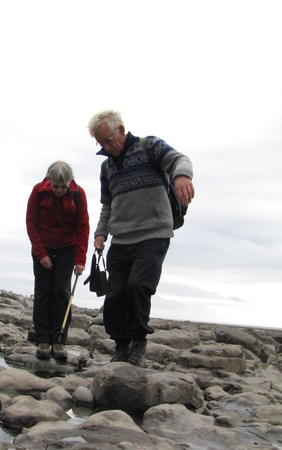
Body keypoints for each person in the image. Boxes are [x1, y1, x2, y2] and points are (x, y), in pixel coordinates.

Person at [87, 110, 194, 366]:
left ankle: (138, 343)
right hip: (121, 239)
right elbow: (107, 205)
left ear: (121, 129)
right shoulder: (107, 167)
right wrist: (101, 232)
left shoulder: (150, 146)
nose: (107, 146)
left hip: (153, 234)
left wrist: (182, 176)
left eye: (109, 139)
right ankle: (121, 345)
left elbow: (180, 159)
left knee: (138, 286)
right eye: (101, 143)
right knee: (114, 295)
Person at [26, 160, 89, 360]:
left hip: (66, 248)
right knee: (43, 291)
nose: (60, 190)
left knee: (61, 291)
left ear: (70, 182)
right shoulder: (38, 191)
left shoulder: (78, 194)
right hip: (43, 246)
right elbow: (31, 223)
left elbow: (82, 226)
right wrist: (41, 253)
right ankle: (43, 339)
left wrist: (80, 259)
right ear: (48, 181)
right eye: (56, 186)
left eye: (63, 186)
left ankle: (59, 340)